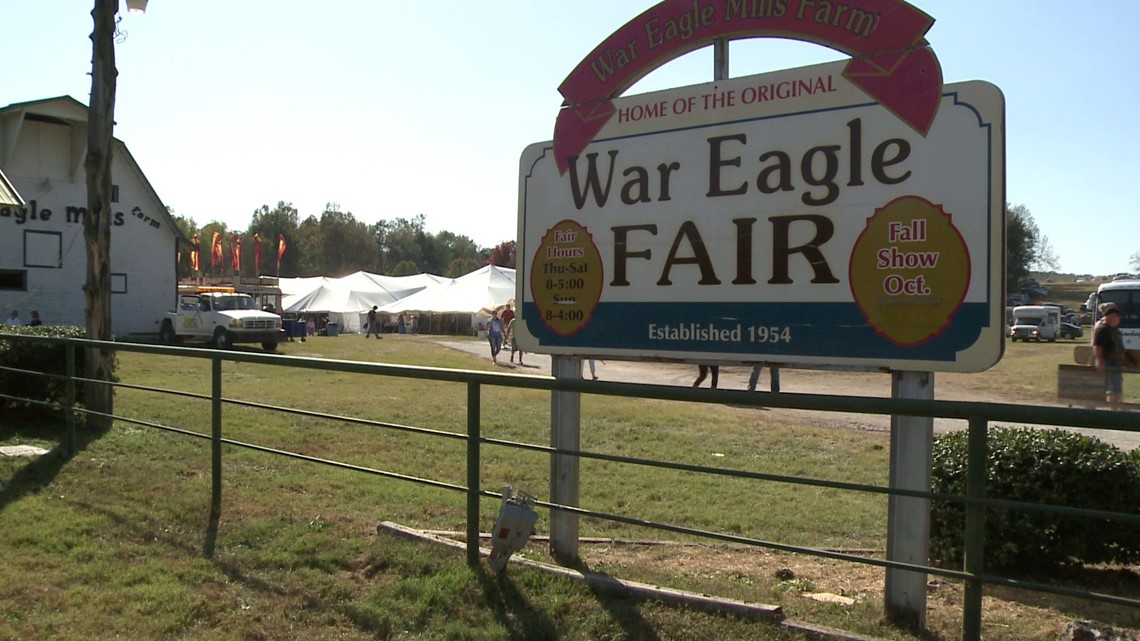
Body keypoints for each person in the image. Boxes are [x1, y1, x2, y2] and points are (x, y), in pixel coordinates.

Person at [1092, 302, 1126, 406]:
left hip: (1114, 362)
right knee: (1113, 389)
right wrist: (1100, 361)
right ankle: (1112, 411)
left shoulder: (1112, 328)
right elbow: (1097, 346)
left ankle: (1114, 408)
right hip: (1108, 362)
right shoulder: (1102, 328)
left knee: (1115, 387)